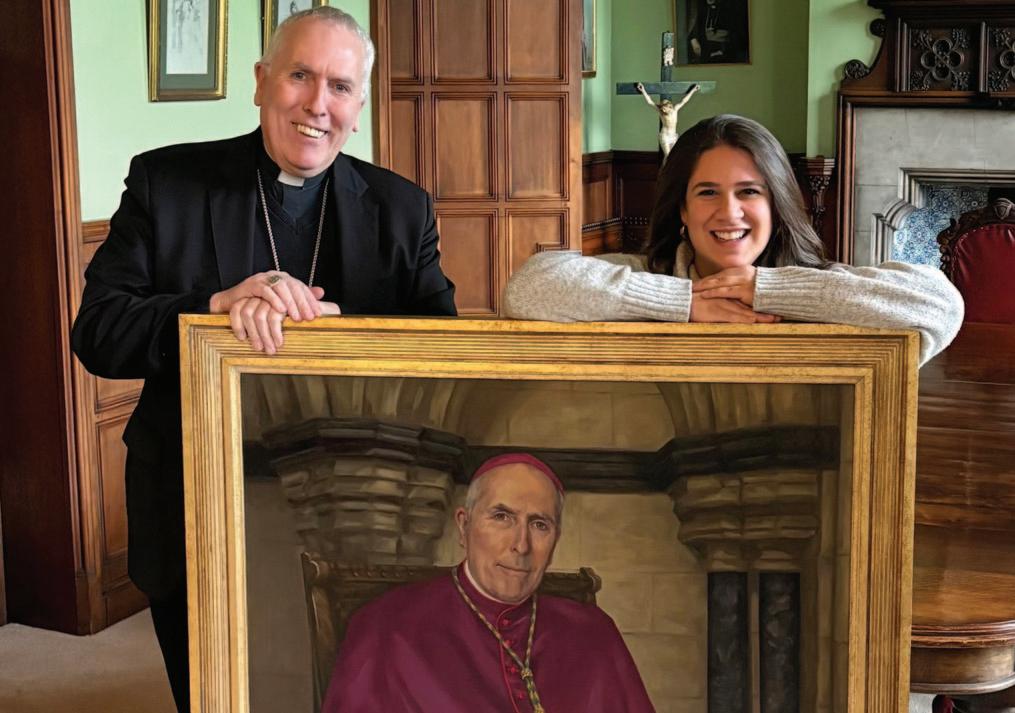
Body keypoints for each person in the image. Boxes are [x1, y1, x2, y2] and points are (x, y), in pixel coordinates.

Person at [70, 8, 455, 713]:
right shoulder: (166, 184)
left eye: (340, 86)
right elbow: (97, 331)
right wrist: (211, 307)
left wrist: (345, 336)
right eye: (299, 76)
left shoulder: (402, 210)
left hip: (353, 510)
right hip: (195, 504)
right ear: (260, 81)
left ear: (359, 108)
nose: (317, 105)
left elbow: (442, 354)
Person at [502, 114, 963, 365]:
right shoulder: (648, 278)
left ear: (776, 205)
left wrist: (766, 288)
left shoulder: (822, 288)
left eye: (749, 192)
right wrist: (686, 302)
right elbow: (528, 287)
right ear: (682, 210)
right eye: (707, 193)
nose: (729, 212)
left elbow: (940, 306)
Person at [322, 453, 655, 713]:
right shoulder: (387, 627)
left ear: (556, 539)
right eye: (501, 517)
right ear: (464, 526)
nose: (521, 545)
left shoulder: (594, 633)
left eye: (539, 524)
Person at [635, 81, 700, 159]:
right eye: (662, 108)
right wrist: (643, 90)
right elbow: (650, 102)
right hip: (665, 136)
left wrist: (693, 90)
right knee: (668, 156)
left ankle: (668, 167)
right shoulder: (661, 112)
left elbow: (684, 101)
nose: (663, 109)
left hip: (673, 136)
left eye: (665, 107)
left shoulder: (675, 110)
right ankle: (665, 167)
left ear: (669, 106)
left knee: (673, 156)